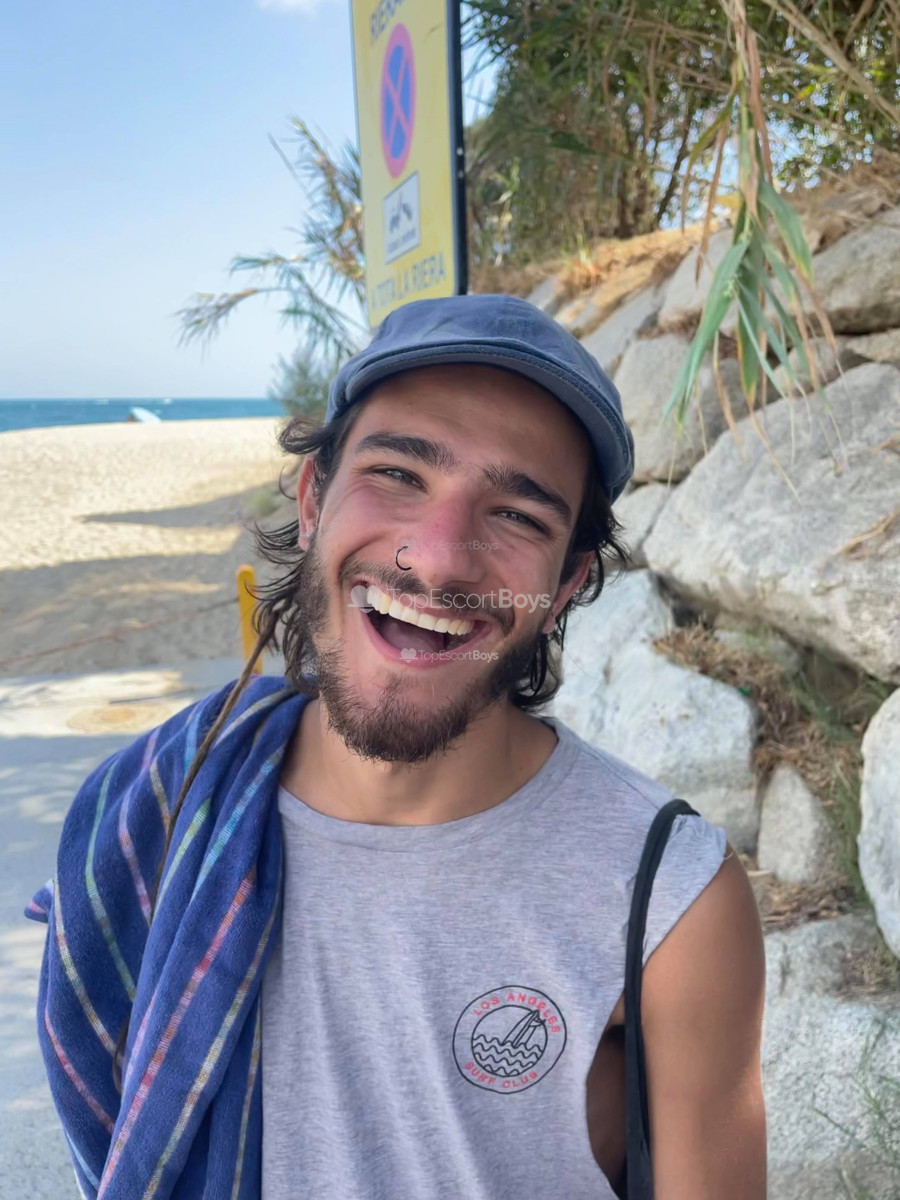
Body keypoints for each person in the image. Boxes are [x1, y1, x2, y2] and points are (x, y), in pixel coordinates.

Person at [26, 293, 766, 1200]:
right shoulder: (156, 805)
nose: (440, 557)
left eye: (518, 516)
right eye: (398, 474)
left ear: (566, 586)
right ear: (313, 500)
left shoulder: (672, 900)